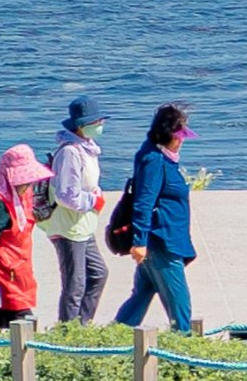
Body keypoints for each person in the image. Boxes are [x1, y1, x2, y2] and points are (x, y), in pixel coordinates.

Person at [110, 102, 196, 332]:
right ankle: (185, 352)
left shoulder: (158, 155)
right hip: (161, 242)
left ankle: (114, 339)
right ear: (169, 135)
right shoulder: (154, 161)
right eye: (180, 135)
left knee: (141, 296)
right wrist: (139, 241)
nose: (182, 141)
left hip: (163, 239)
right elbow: (143, 202)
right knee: (180, 305)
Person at [42, 95, 110, 324]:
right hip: (68, 227)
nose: (101, 125)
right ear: (82, 127)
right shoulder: (70, 152)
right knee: (75, 284)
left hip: (83, 225)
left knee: (98, 274)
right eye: (98, 122)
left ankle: (83, 325)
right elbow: (66, 195)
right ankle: (68, 335)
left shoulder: (87, 149)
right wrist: (93, 201)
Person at [0, 141, 48, 327]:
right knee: (6, 325)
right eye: (24, 180)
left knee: (15, 323)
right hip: (1, 274)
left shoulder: (19, 195)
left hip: (18, 270)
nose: (28, 184)